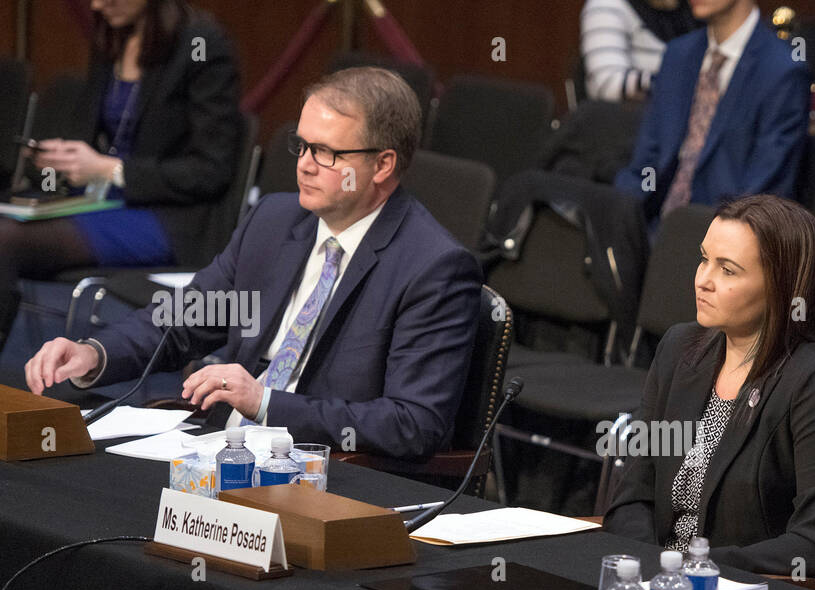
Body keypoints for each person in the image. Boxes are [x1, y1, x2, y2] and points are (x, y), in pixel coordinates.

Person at [24, 67, 480, 462]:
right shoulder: (275, 221)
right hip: (223, 444)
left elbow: (412, 424)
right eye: (301, 146)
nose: (304, 165)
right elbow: (187, 320)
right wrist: (94, 354)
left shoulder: (433, 267)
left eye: (327, 153)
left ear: (383, 165)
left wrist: (265, 402)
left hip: (328, 469)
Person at [603, 195, 815, 577]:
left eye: (727, 270)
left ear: (782, 287)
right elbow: (633, 496)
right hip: (657, 581)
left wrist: (694, 570)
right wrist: (650, 570)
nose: (703, 280)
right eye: (704, 258)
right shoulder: (680, 349)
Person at [0, 0, 241, 334]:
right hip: (102, 198)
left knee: (4, 239)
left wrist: (111, 169)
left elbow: (211, 170)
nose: (98, 5)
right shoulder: (113, 36)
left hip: (166, 216)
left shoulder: (200, 44)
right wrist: (61, 158)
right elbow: (84, 131)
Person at [614, 0, 809, 222]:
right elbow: (646, 160)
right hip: (654, 224)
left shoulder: (781, 71)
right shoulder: (678, 55)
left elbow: (763, 192)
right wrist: (618, 216)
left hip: (724, 234)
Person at [581, 0, 699, 102]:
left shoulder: (699, 8)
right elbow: (607, 84)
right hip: (636, 120)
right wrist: (676, 83)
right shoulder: (606, 5)